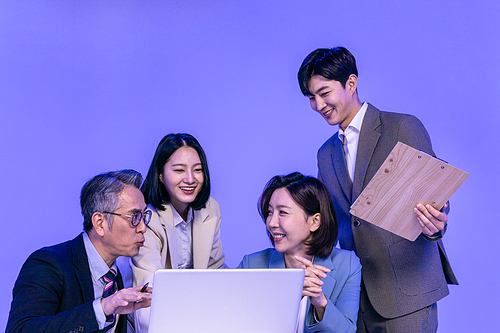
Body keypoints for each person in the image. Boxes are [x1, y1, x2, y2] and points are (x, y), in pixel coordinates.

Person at [297, 47, 458, 332]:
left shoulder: (401, 127)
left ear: (351, 83)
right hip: (357, 297)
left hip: (407, 293)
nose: (318, 105)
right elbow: (334, 223)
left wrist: (437, 220)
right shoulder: (325, 154)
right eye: (311, 98)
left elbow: (434, 193)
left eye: (324, 93)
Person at [6, 169, 152, 333]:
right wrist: (102, 308)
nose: (143, 228)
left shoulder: (118, 273)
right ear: (99, 223)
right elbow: (20, 329)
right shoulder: (48, 264)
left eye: (144, 216)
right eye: (134, 217)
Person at [238, 172, 361, 333]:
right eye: (270, 212)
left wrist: (320, 302)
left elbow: (347, 330)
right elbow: (235, 322)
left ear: (314, 221)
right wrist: (287, 292)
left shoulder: (347, 265)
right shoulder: (251, 265)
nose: (271, 223)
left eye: (282, 212)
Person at [131, 133, 226, 333]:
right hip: (153, 313)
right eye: (179, 170)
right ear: (160, 174)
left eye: (198, 170)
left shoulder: (210, 209)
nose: (190, 179)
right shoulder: (147, 217)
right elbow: (149, 288)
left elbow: (215, 269)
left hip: (197, 310)